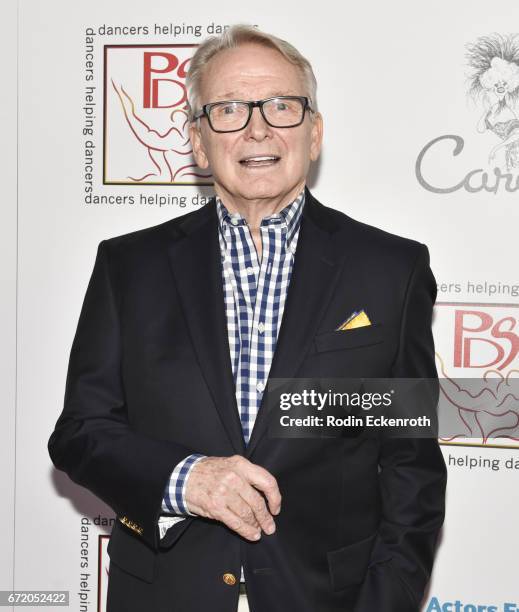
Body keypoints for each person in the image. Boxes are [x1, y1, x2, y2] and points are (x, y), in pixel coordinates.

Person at [48, 24, 447, 612]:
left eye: (282, 106)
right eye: (229, 108)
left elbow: (410, 466)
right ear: (199, 143)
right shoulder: (128, 266)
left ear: (314, 134)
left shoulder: (391, 271)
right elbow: (80, 434)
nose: (258, 127)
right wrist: (187, 481)